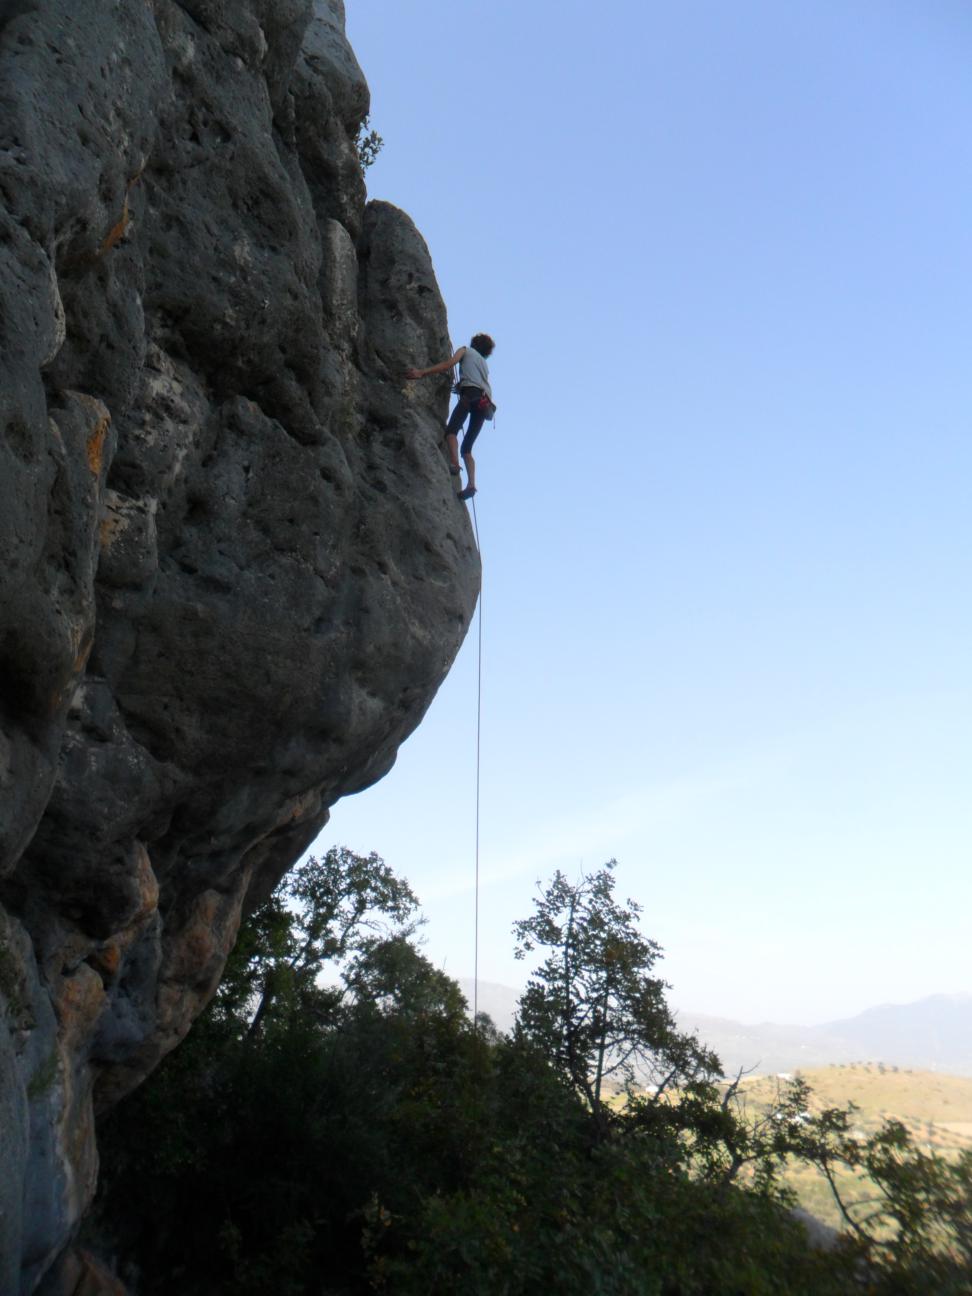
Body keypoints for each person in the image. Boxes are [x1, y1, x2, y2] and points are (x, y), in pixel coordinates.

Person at [406, 333, 495, 500]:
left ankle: (454, 463)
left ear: (474, 343)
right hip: (485, 404)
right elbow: (476, 379)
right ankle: (471, 484)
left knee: (451, 432)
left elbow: (449, 364)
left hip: (470, 395)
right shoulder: (483, 364)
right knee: (467, 448)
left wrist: (421, 372)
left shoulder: (465, 350)